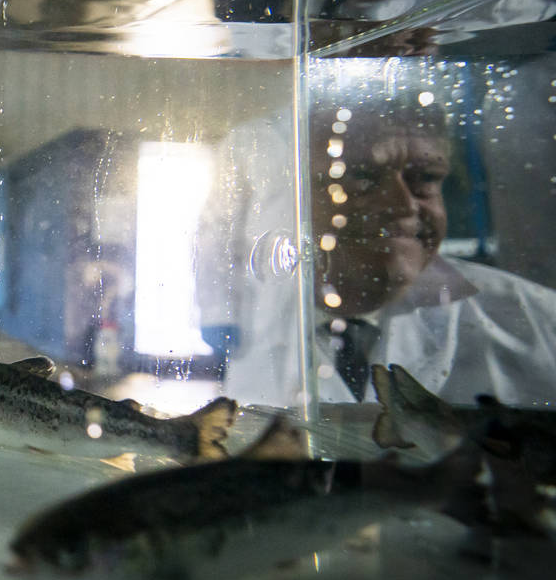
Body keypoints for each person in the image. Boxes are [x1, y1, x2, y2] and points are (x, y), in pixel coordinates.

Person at [218, 87, 556, 409]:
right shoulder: (236, 322)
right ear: (291, 195)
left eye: (424, 178)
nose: (401, 204)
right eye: (361, 176)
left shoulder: (537, 323)